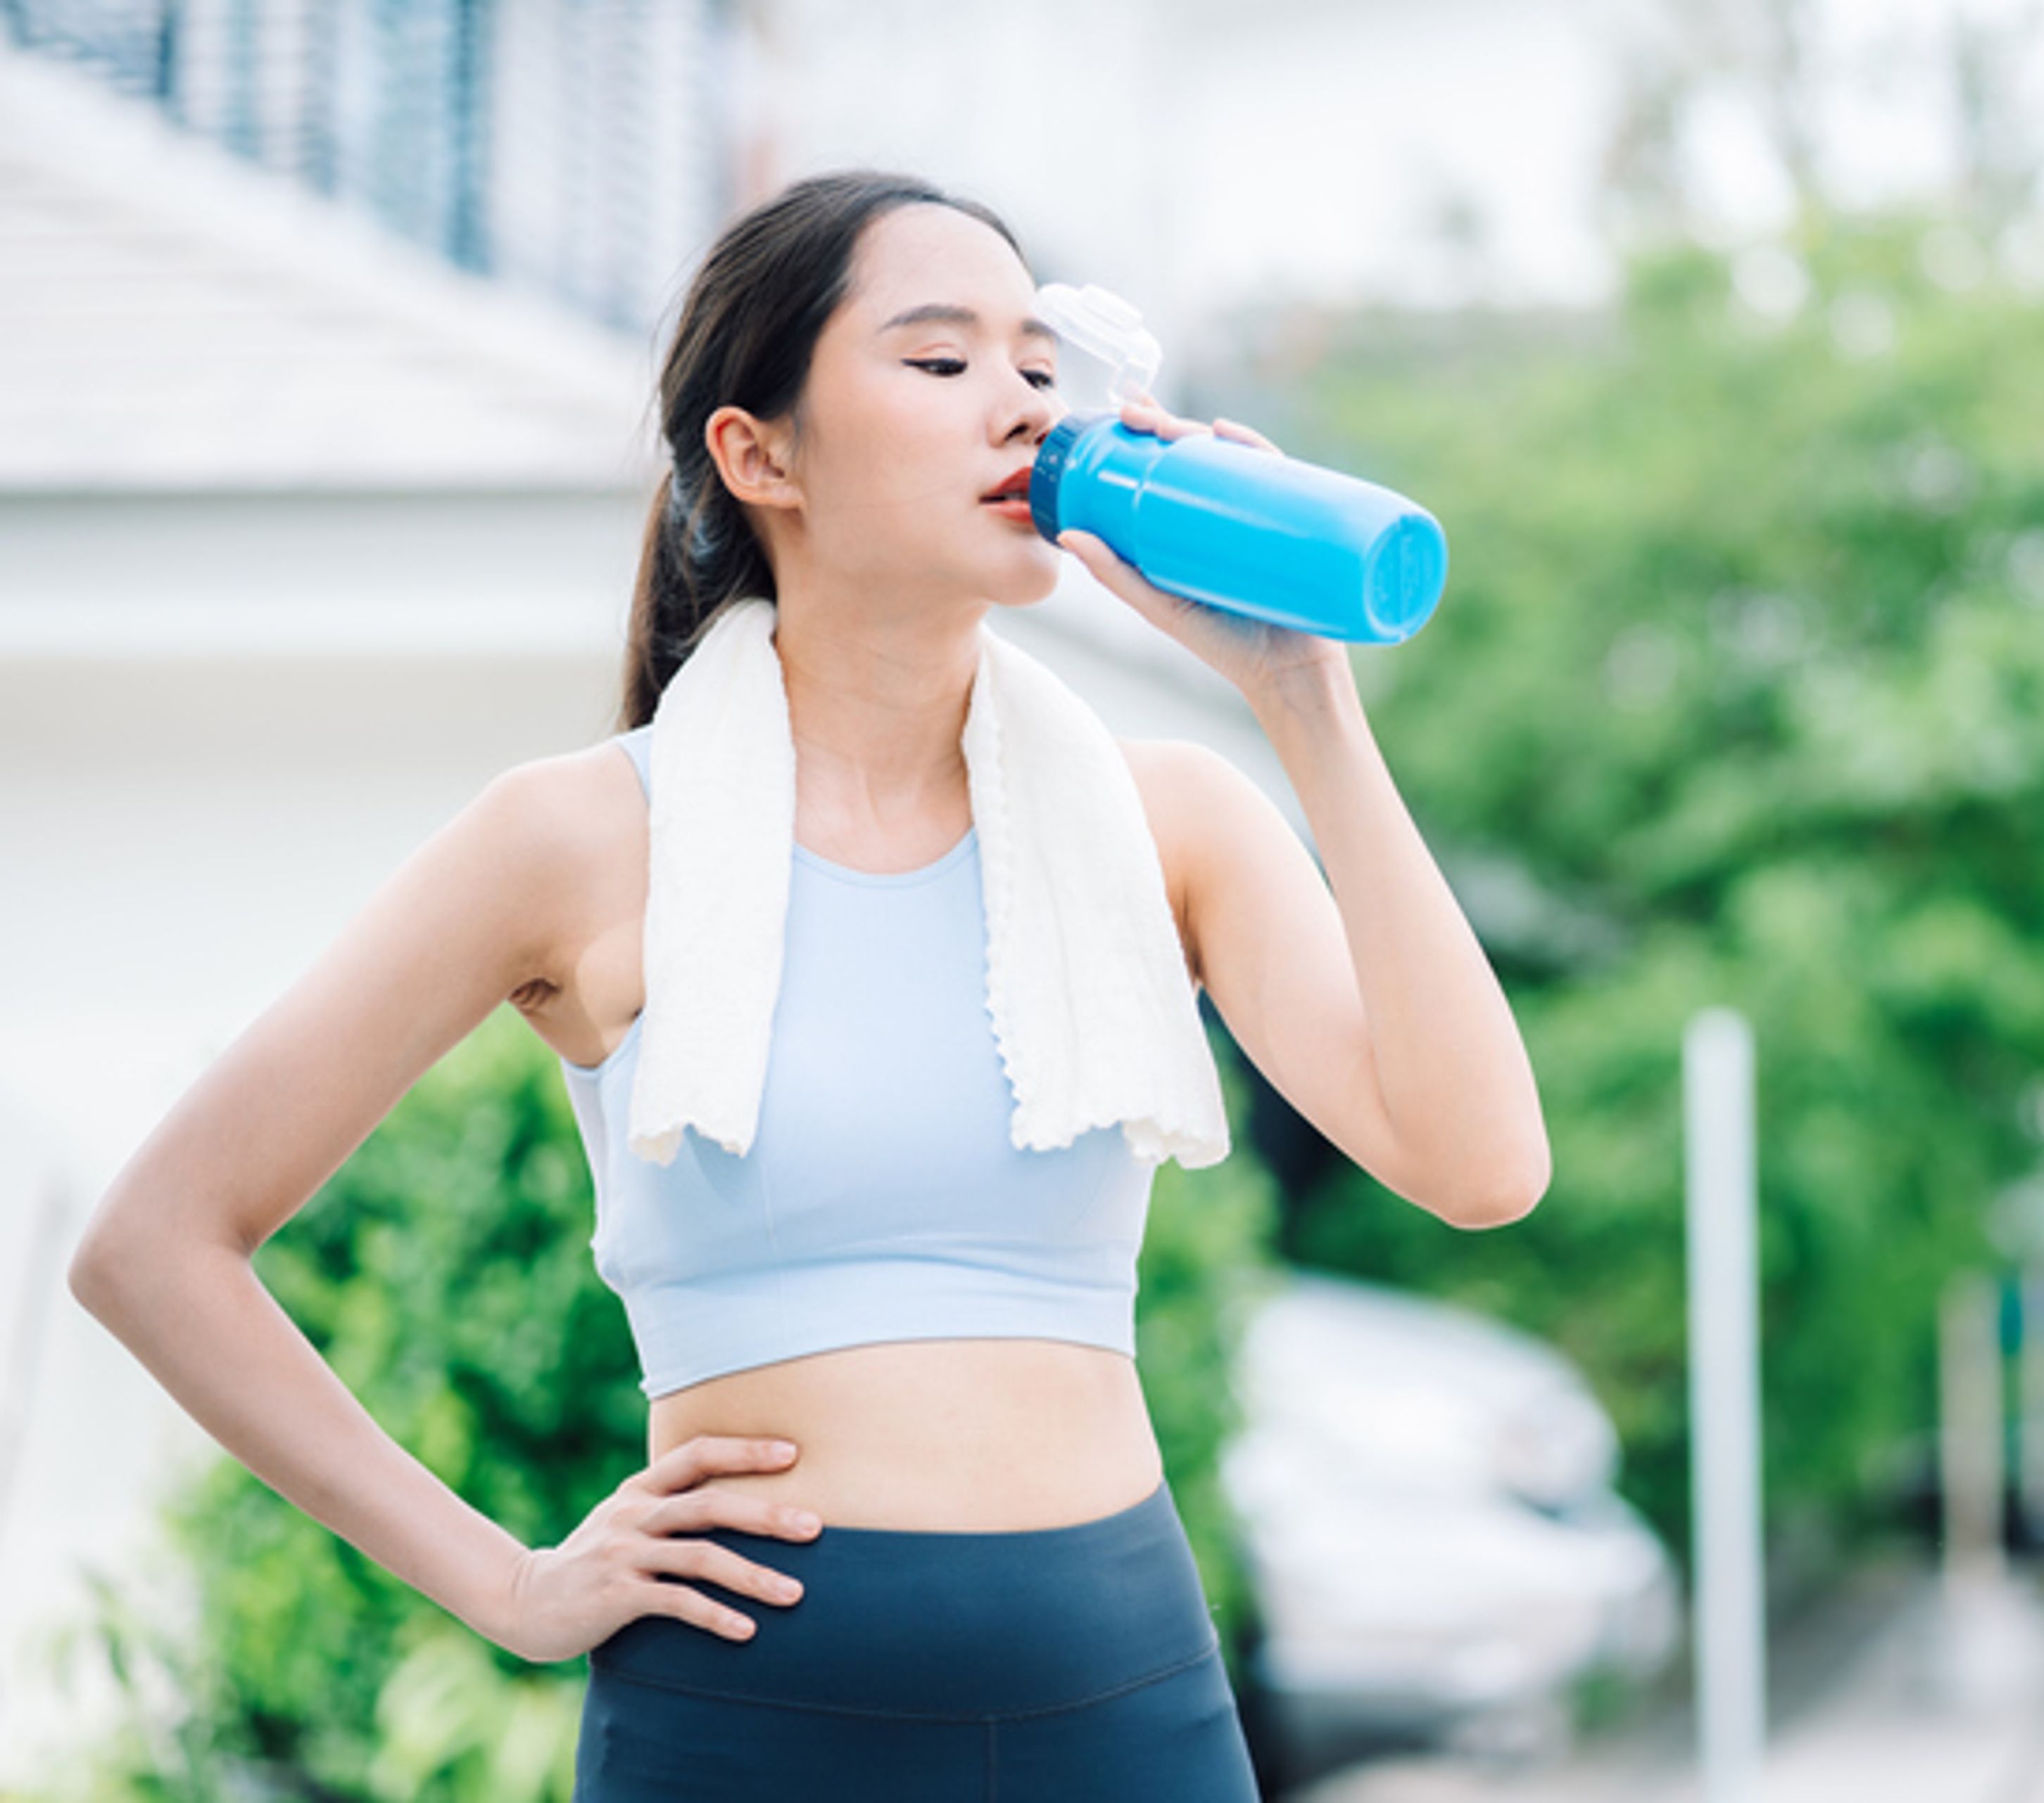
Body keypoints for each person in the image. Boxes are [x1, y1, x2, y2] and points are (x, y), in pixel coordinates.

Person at [66, 168, 1552, 1799]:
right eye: (941, 361)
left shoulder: (1170, 819)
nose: (1019, 402)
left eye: (1036, 365)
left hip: (1119, 1698)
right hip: (749, 1719)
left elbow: (1480, 1167)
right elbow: (155, 1245)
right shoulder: (576, 840)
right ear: (758, 452)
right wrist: (506, 1581)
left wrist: (1303, 700)